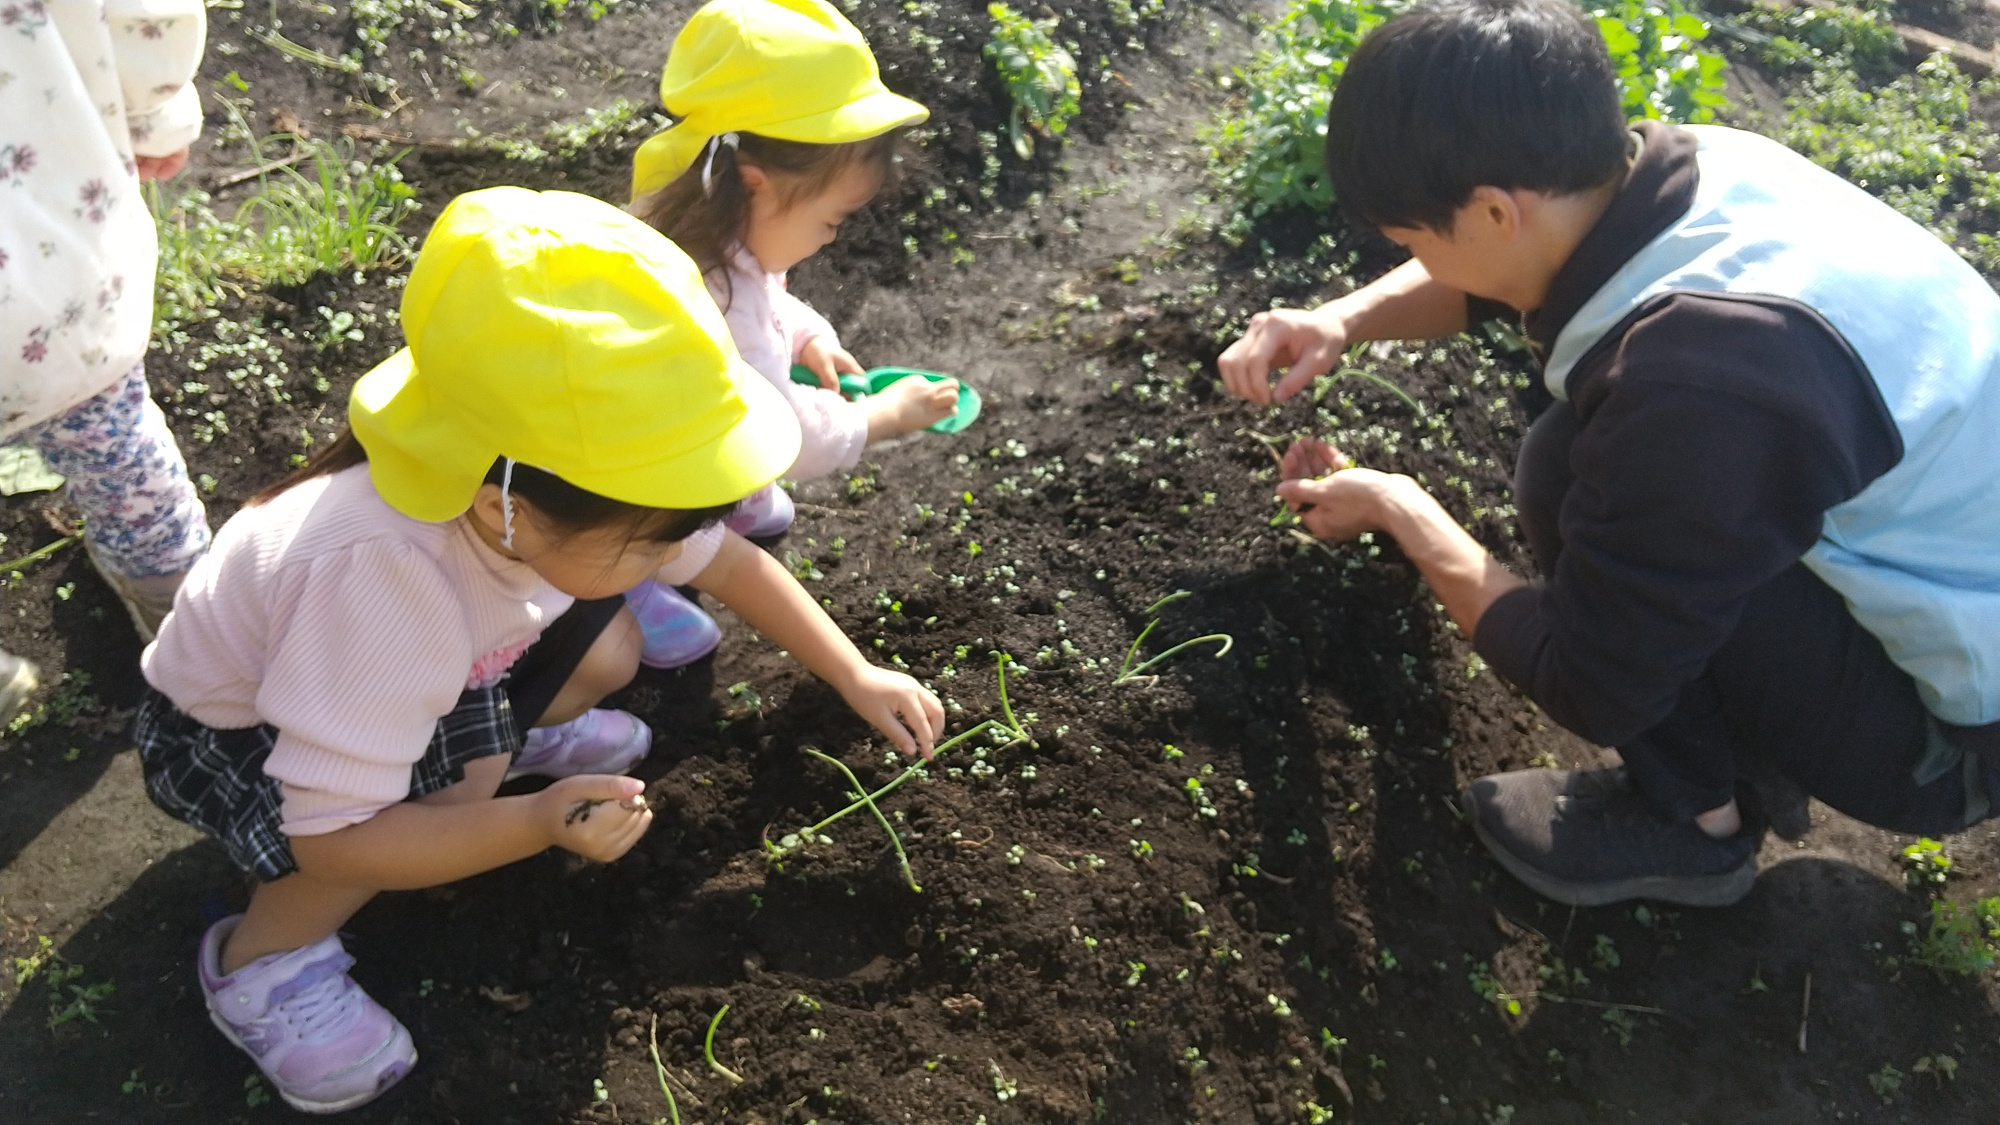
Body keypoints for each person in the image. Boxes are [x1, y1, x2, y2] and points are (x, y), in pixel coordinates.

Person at [137, 187, 945, 1113]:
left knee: (602, 662)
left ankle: (473, 772)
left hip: (390, 682)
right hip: (243, 739)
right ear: (504, 508)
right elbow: (331, 840)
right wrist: (536, 822)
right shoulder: (390, 583)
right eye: (649, 542)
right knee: (378, 837)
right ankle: (263, 967)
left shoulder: (536, 477)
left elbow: (723, 559)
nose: (671, 557)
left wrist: (853, 669)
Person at [1218, 0, 2000, 909]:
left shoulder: (1698, 384)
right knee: (1593, 463)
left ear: (1493, 212)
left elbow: (1590, 681)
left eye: (1409, 242)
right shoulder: (1703, 167)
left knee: (1569, 473)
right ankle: (1748, 739)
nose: (1408, 258)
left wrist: (1403, 510)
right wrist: (1342, 320)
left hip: (1951, 752)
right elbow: (1515, 273)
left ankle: (1694, 825)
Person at [615, 0, 960, 670]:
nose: (833, 237)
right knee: (612, 531)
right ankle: (627, 580)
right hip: (616, 486)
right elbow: (787, 436)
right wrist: (883, 416)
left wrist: (809, 337)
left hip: (662, 431)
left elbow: (771, 292)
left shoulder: (696, 213)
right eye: (832, 219)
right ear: (757, 183)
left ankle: (706, 513)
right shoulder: (717, 304)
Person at [0, 0, 215, 721]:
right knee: (120, 450)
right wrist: (158, 117)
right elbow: (146, 16)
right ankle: (194, 629)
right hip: (59, 286)